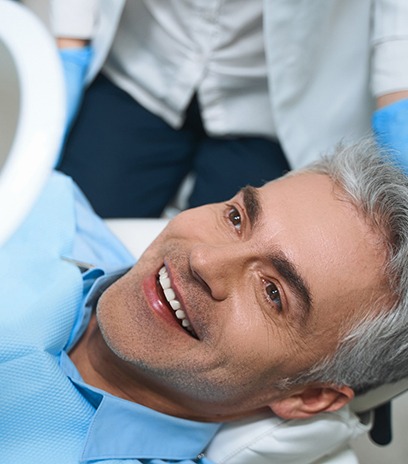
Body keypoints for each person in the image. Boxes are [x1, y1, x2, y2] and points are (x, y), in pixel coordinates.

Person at [2, 138, 408, 463]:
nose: (204, 259)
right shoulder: (42, 205)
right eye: (236, 218)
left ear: (307, 396)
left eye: (272, 293)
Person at [48, 0, 408, 218]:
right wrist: (68, 39)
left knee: (228, 291)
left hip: (270, 106)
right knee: (66, 238)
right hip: (143, 65)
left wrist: (398, 92)